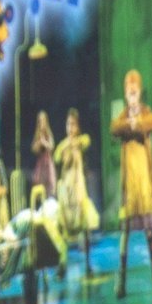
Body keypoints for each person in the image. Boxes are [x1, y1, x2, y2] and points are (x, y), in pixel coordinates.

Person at [111, 70, 152, 301]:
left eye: (135, 89)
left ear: (139, 92)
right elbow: (115, 128)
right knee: (126, 232)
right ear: (125, 93)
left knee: (150, 233)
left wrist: (136, 123)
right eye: (128, 90)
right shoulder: (121, 116)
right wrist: (130, 124)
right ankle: (120, 282)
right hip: (129, 189)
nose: (132, 93)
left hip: (143, 186)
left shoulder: (147, 114)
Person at [54, 109, 99, 267]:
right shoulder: (63, 145)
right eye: (68, 124)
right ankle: (62, 261)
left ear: (78, 126)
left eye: (73, 124)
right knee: (64, 223)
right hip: (66, 189)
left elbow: (86, 141)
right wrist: (68, 144)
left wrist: (74, 142)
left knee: (83, 223)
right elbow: (57, 156)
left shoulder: (81, 140)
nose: (70, 127)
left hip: (78, 186)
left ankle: (87, 262)